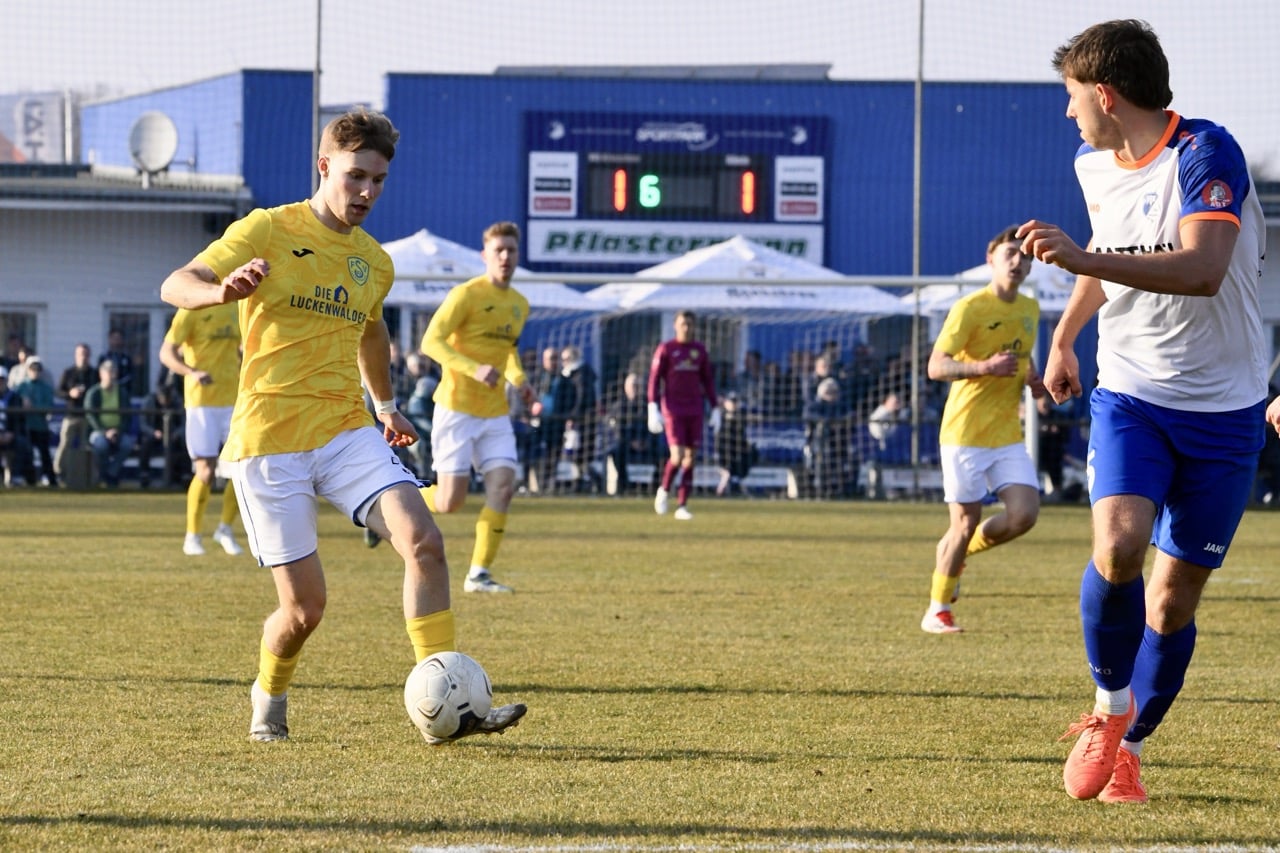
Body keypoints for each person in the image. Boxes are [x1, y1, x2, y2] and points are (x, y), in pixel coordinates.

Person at [159, 107, 525, 743]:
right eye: (356, 176)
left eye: (379, 181)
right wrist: (221, 292)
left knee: (426, 543)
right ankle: (268, 699)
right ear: (325, 166)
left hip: (346, 429)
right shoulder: (268, 229)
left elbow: (372, 330)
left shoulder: (373, 262)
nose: (367, 192)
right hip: (268, 442)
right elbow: (177, 283)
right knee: (304, 610)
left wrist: (384, 408)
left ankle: (450, 701)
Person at [1019, 19, 1267, 805]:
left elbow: (1201, 268)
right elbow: (1111, 249)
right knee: (1120, 544)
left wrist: (1079, 259)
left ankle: (1131, 743)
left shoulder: (1206, 153)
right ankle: (1106, 709)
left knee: (1171, 600)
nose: (1068, 115)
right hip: (1132, 393)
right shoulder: (1094, 167)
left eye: (1070, 97)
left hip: (1227, 409)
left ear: (1103, 92)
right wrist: (1064, 336)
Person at [921, 226, 1046, 636]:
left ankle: (959, 554)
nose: (1018, 261)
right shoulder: (970, 308)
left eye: (1025, 256)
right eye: (1010, 253)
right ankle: (937, 609)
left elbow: (1020, 359)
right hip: (964, 433)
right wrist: (982, 368)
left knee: (1024, 515)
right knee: (963, 521)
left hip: (1006, 432)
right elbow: (936, 367)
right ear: (991, 259)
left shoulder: (1030, 308)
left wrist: (1036, 383)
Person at [415, 220, 537, 594]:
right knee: (450, 501)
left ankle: (479, 574)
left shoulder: (519, 304)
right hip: (456, 407)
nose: (505, 257)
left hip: (495, 412)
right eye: (498, 250)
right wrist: (472, 367)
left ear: (518, 255)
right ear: (485, 256)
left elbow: (509, 350)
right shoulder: (465, 295)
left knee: (504, 486)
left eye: (511, 250)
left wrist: (519, 379)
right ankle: (388, 502)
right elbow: (431, 342)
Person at [159, 301, 246, 556]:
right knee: (206, 471)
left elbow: (244, 347)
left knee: (242, 470)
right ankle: (192, 536)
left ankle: (225, 529)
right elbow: (166, 353)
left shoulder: (236, 307)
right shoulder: (190, 310)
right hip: (202, 403)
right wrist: (191, 372)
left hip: (233, 400)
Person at [648, 310, 718, 520]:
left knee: (690, 458)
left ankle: (682, 505)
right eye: (682, 324)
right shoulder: (667, 349)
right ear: (675, 326)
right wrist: (653, 406)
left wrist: (715, 407)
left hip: (695, 408)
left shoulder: (699, 351)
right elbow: (654, 379)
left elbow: (708, 381)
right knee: (677, 456)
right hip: (673, 408)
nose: (686, 328)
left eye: (689, 324)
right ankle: (664, 489)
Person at [603, 371, 659, 494]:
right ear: (626, 388)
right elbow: (616, 429)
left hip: (647, 443)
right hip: (626, 443)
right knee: (615, 451)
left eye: (637, 386)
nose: (635, 388)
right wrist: (631, 442)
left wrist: (646, 441)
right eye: (633, 385)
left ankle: (656, 485)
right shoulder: (618, 406)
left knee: (664, 451)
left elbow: (655, 427)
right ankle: (624, 485)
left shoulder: (648, 406)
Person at [84, 360, 137, 488]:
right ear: (101, 374)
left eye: (114, 371)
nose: (111, 375)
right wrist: (105, 432)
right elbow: (91, 416)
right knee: (101, 445)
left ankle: (110, 473)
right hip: (98, 431)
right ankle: (105, 474)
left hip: (118, 431)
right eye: (108, 371)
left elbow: (127, 416)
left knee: (127, 444)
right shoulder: (94, 392)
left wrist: (118, 430)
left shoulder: (122, 392)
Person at [135, 370, 188, 489]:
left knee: (184, 441)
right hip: (154, 435)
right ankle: (144, 474)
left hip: (173, 435)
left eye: (167, 400)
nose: (165, 404)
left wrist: (176, 433)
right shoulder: (149, 401)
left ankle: (183, 474)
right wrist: (153, 432)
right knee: (145, 442)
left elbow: (184, 422)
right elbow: (143, 424)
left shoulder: (177, 402)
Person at [55, 343, 97, 487]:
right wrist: (70, 394)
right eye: (80, 354)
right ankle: (59, 473)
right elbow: (59, 392)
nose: (83, 357)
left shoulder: (94, 373)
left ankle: (87, 476)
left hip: (88, 417)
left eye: (85, 354)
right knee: (65, 444)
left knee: (86, 445)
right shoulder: (69, 373)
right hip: (71, 415)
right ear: (76, 355)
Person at [13, 355, 57, 486]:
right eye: (32, 369)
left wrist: (33, 407)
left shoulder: (45, 388)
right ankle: (29, 479)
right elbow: (15, 402)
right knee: (27, 453)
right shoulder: (21, 387)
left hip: (40, 426)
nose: (35, 371)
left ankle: (51, 479)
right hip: (25, 426)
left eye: (37, 369)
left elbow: (48, 406)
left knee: (44, 453)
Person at [713, 392, 757, 496]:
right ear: (726, 403)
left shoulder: (741, 416)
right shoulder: (720, 415)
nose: (733, 404)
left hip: (738, 452)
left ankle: (736, 482)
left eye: (735, 402)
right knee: (727, 470)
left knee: (753, 452)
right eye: (731, 402)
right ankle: (723, 486)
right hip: (723, 451)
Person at [98, 329, 136, 397]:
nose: (116, 341)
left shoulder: (127, 358)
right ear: (109, 339)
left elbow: (131, 375)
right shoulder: (103, 358)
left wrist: (118, 384)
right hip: (106, 392)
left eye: (119, 338)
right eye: (114, 338)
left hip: (123, 393)